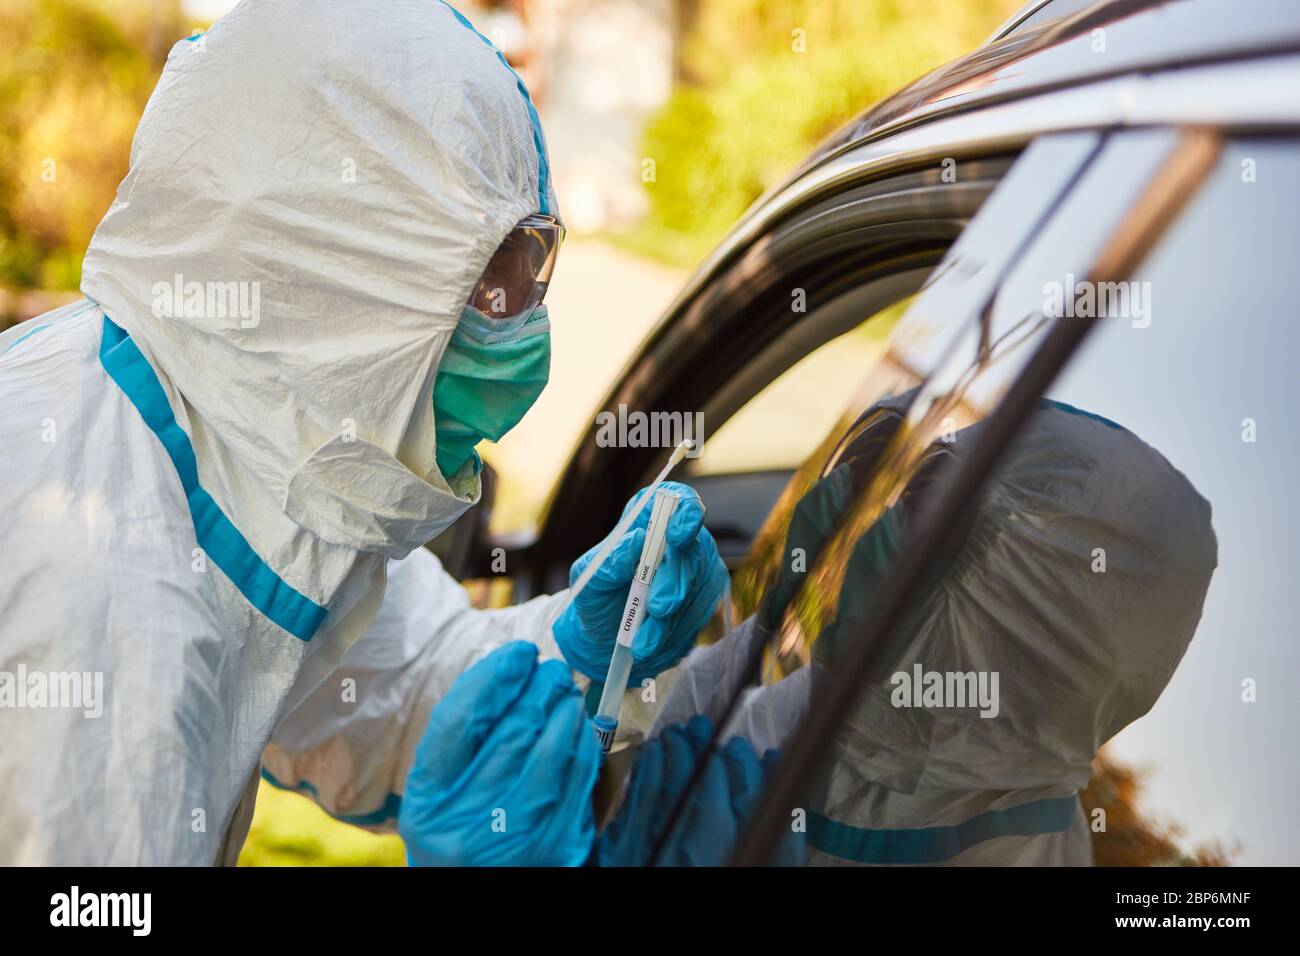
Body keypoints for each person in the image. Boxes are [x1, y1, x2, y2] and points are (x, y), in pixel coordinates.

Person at [0, 0, 725, 865]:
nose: (525, 338)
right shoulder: (104, 623)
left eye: (531, 268)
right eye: (490, 286)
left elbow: (393, 684)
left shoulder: (231, 446)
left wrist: (571, 653)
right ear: (341, 284)